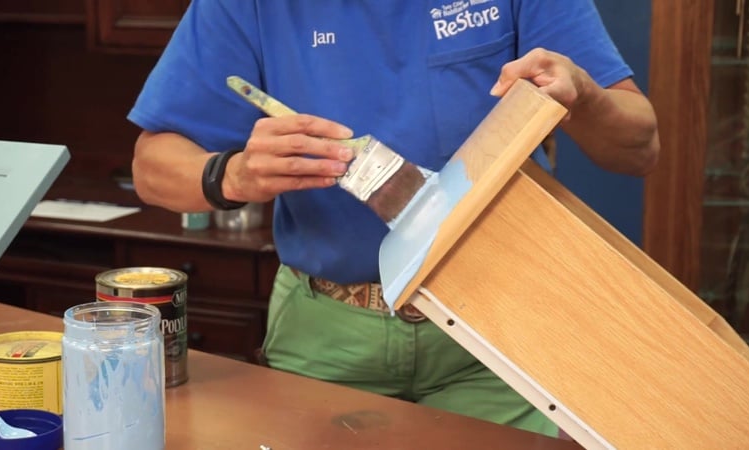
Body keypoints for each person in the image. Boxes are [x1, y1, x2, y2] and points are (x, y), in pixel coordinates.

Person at [127, 0, 659, 437]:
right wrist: (234, 175)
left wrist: (583, 95)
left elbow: (639, 147)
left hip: (496, 327)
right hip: (326, 333)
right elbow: (151, 168)